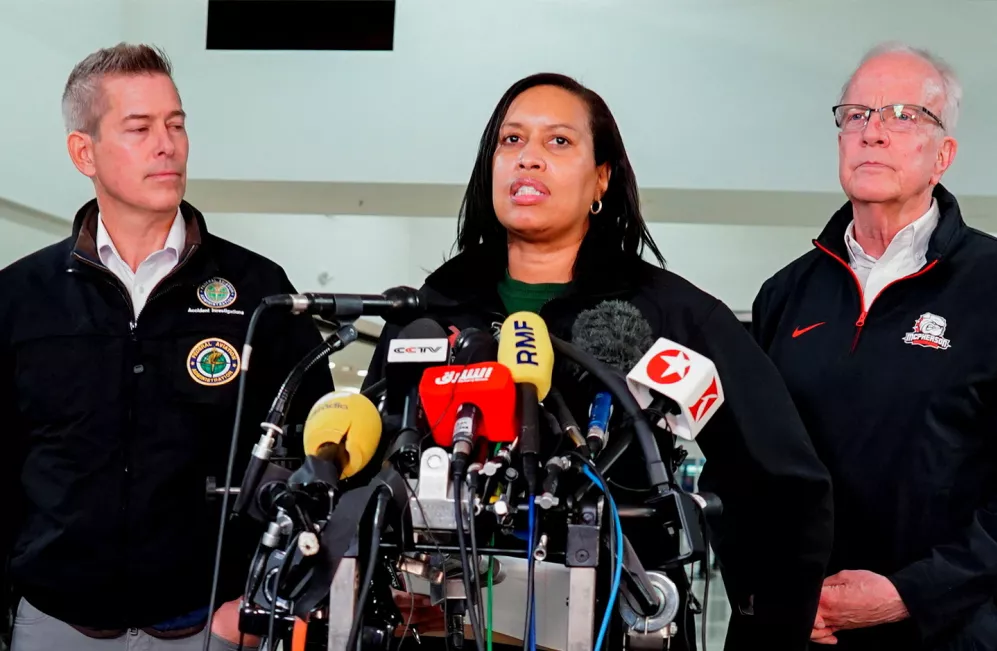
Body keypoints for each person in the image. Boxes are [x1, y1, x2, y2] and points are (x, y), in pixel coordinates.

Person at [365, 72, 834, 650]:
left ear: (601, 179)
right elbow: (367, 470)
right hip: (443, 629)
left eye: (558, 142)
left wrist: (768, 629)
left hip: (616, 624)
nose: (528, 159)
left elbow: (781, 486)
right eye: (511, 141)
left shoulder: (671, 314)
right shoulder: (434, 310)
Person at [0, 43, 332, 651]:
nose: (167, 144)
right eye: (139, 127)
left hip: (211, 627)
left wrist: (260, 605)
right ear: (84, 152)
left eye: (176, 125)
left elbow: (323, 461)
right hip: (51, 624)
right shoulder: (21, 296)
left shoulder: (259, 293)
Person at [752, 43, 997, 650]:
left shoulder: (992, 285)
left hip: (949, 632)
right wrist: (774, 591)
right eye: (856, 114)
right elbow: (746, 469)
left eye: (902, 115)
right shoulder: (784, 295)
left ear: (943, 155)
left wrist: (908, 594)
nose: (873, 133)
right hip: (802, 630)